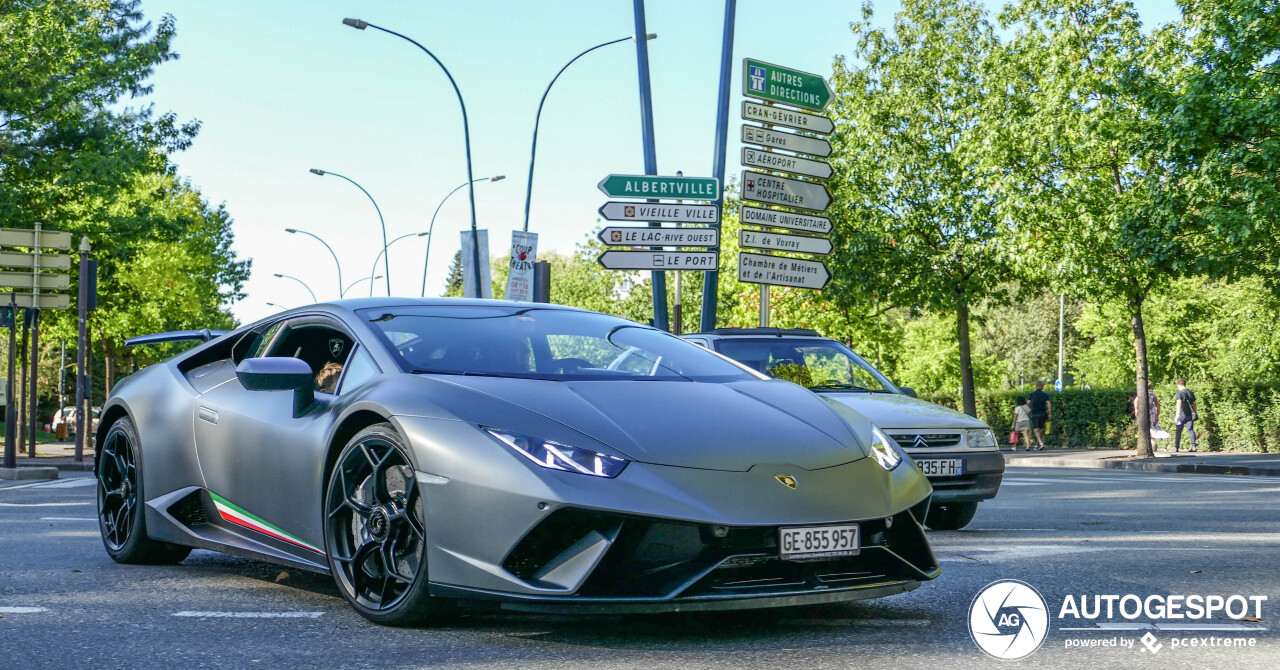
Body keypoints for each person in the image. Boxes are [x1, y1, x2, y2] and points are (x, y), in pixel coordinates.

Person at [1173, 379, 1198, 452]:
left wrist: (1177, 414)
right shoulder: (1190, 392)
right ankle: (1193, 446)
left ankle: (1176, 447)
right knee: (1190, 430)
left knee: (1178, 431)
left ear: (1178, 385)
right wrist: (1195, 412)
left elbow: (1179, 403)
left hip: (1181, 415)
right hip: (1189, 414)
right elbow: (1194, 404)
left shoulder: (1179, 393)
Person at [1027, 381, 1052, 450]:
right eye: (1042, 385)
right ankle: (1037, 445)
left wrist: (1028, 412)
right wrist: (1050, 413)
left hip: (1034, 413)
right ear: (1040, 386)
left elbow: (1028, 403)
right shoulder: (1045, 394)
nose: (1043, 386)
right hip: (1043, 413)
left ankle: (1040, 443)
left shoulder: (1032, 394)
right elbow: (1049, 404)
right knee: (1040, 429)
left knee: (1036, 429)